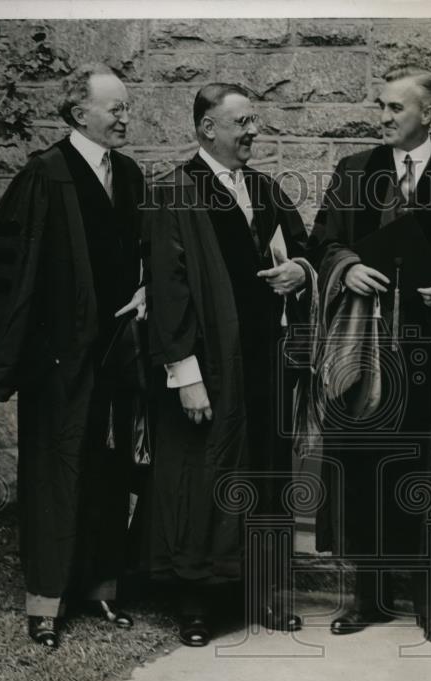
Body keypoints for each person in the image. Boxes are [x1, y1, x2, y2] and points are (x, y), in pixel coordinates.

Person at [309, 66, 431, 643]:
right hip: (364, 352)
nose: (384, 118)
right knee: (362, 467)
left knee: (426, 474)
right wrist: (349, 267)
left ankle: (430, 602)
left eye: (396, 108)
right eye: (382, 107)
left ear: (429, 114)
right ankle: (366, 597)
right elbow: (323, 240)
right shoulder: (354, 172)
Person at [0, 64, 146, 648]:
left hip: (116, 356)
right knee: (54, 475)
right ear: (78, 115)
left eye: (125, 107)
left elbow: (148, 252)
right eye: (114, 108)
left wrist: (147, 289)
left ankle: (100, 591)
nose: (125, 117)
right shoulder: (43, 175)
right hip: (59, 361)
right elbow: (11, 276)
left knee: (107, 471)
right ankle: (45, 604)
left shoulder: (131, 175)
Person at [141, 83, 315, 647]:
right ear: (207, 128)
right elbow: (168, 293)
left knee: (262, 474)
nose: (253, 131)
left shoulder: (264, 189)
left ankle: (258, 593)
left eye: (255, 121)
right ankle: (197, 604)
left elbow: (304, 248)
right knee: (203, 480)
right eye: (242, 122)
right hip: (209, 370)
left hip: (263, 367)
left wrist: (302, 273)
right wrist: (185, 376)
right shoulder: (174, 193)